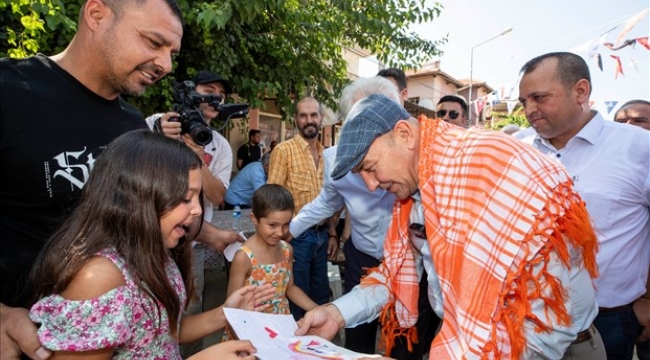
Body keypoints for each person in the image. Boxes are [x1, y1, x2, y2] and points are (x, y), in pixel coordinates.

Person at [296, 93, 603, 359]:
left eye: (370, 167)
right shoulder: (417, 191)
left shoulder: (492, 166)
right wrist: (337, 313)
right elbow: (395, 273)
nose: (371, 185)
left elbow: (545, 319)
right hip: (474, 341)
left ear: (404, 134)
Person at [0, 0, 183, 358]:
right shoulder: (10, 92)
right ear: (97, 15)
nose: (165, 64)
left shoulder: (131, 125)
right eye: (153, 42)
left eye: (171, 52)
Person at [28, 130, 275, 359]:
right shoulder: (98, 278)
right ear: (137, 196)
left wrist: (226, 312)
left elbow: (164, 332)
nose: (198, 209)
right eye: (185, 198)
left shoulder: (157, 252)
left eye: (197, 198)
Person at [289, 76, 439, 357]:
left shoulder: (435, 178)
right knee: (357, 339)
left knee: (407, 339)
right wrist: (291, 230)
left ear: (400, 127)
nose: (372, 184)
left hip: (411, 263)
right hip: (365, 259)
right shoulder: (336, 161)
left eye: (376, 114)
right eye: (359, 118)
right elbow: (326, 203)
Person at [517, 52, 650, 360]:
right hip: (527, 314)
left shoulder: (639, 147)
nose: (529, 111)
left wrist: (647, 301)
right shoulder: (517, 151)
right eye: (524, 102)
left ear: (581, 91)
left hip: (611, 320)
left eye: (539, 97)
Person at [146, 69, 237, 356]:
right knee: (147, 311)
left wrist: (199, 160)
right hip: (146, 238)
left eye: (220, 95)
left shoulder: (219, 145)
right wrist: (160, 135)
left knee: (189, 309)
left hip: (191, 244)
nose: (215, 98)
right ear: (191, 91)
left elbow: (217, 196)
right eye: (208, 90)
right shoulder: (160, 123)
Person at [268, 96, 334, 320]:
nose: (309, 120)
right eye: (303, 115)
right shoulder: (284, 151)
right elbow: (273, 198)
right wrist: (280, 237)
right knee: (298, 299)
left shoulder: (328, 156)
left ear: (321, 118)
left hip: (322, 236)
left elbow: (331, 198)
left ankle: (320, 347)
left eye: (313, 115)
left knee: (321, 295)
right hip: (296, 238)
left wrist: (333, 233)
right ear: (295, 119)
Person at [226, 184, 318, 319]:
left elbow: (290, 288)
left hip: (281, 324)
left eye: (286, 224)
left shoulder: (287, 250)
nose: (280, 232)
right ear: (254, 219)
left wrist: (317, 309)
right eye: (272, 225)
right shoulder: (244, 257)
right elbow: (231, 307)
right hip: (250, 328)